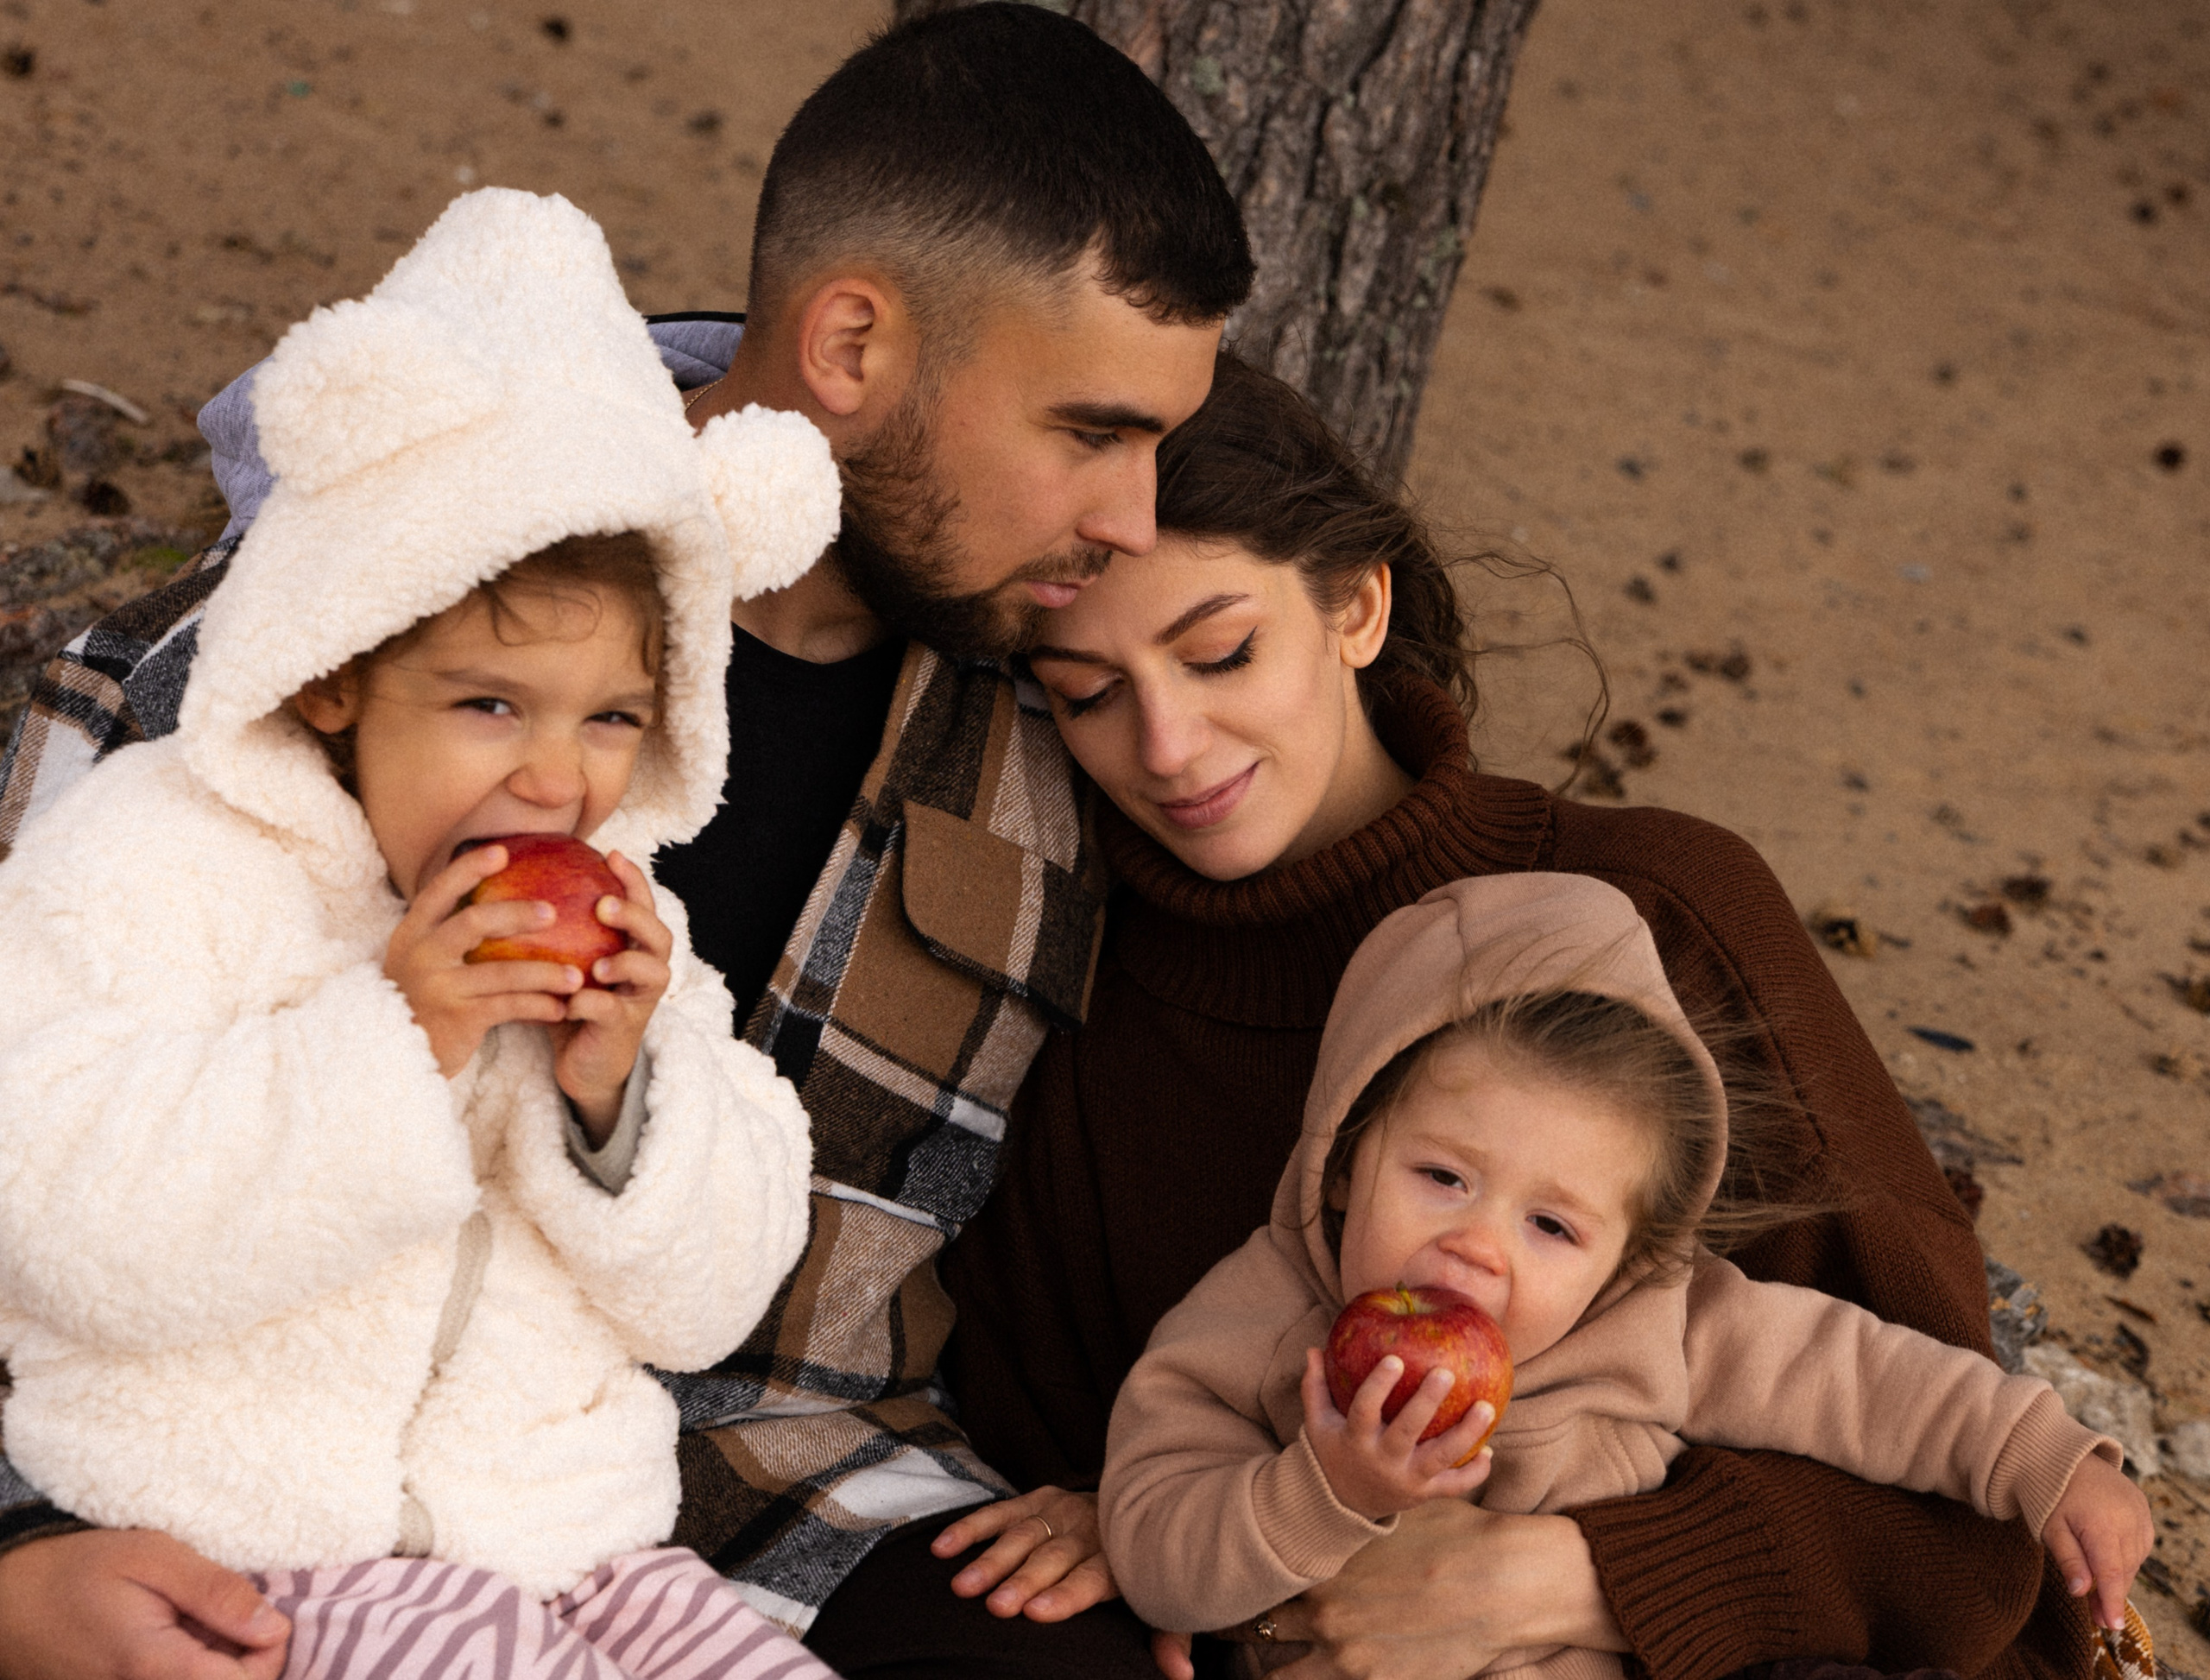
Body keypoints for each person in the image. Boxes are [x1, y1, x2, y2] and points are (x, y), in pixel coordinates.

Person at [0, 9, 1252, 1680]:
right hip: (262, 1497)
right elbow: (43, 1154)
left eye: (607, 720)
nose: (1133, 521)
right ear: (852, 345)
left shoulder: (1086, 709)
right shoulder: (314, 640)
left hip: (718, 1495)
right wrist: (9, 1563)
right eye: (1091, 433)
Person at [941, 351, 2106, 1678]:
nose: (1166, 744)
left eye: (1222, 652)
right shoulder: (1070, 989)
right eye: (1088, 693)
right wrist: (1153, 1522)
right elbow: (1081, 1450)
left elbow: (1977, 1541)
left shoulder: (1659, 913)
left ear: (1357, 606)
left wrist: (1571, 1578)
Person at [0, 189, 835, 1680]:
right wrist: (395, 1041)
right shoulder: (153, 860)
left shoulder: (636, 934)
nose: (557, 778)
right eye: (490, 704)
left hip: (568, 1538)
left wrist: (620, 1100)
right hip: (253, 1542)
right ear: (337, 672)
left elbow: (711, 1299)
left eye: (611, 718)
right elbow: (55, 1200)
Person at [1097, 873, 2153, 1677]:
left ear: (1630, 1254)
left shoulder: (1656, 1321)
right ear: (1343, 1159)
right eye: (1442, 1176)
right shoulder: (1256, 1322)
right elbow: (1151, 1551)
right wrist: (1322, 1491)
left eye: (1551, 1223)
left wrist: (2043, 1456)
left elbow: (1865, 1379)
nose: (1478, 1244)